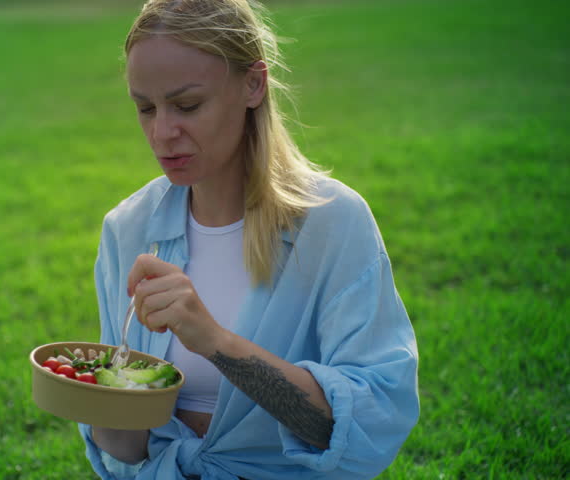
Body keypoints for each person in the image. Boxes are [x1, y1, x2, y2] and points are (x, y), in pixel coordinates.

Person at [77, 0, 419, 478]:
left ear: (253, 84)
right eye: (144, 108)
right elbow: (124, 452)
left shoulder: (332, 222)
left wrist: (214, 341)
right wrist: (103, 393)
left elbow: (362, 423)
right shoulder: (129, 228)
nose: (161, 133)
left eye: (187, 105)